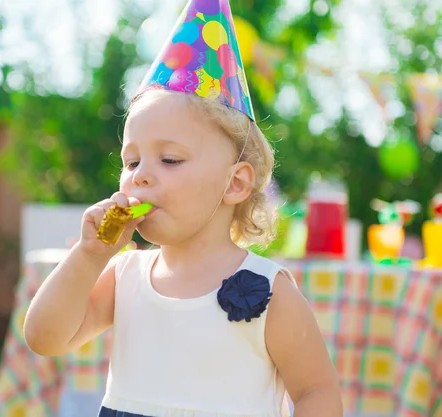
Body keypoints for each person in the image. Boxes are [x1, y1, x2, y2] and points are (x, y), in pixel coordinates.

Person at [24, 1, 342, 415]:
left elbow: (316, 391)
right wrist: (89, 255)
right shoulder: (124, 276)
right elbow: (44, 337)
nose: (140, 175)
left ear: (235, 183)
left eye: (170, 159)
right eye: (132, 161)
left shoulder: (267, 289)